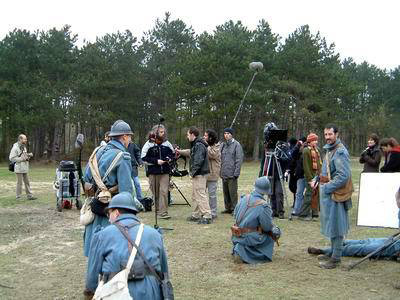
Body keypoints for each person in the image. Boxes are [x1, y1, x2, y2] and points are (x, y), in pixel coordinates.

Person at [83, 192, 170, 300]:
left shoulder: (102, 235)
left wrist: (90, 294)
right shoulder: (155, 235)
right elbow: (164, 273)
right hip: (151, 292)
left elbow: (92, 278)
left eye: (109, 214)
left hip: (115, 293)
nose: (109, 219)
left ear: (116, 213)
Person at [83, 120, 134, 257]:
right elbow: (126, 192)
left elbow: (86, 179)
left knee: (95, 253)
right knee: (111, 255)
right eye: (129, 136)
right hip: (112, 211)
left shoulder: (97, 151)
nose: (130, 140)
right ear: (124, 137)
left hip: (95, 207)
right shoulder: (123, 156)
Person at [317, 124, 352, 269]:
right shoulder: (330, 150)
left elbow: (343, 176)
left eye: (330, 134)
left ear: (336, 134)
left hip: (335, 194)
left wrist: (326, 188)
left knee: (337, 226)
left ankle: (336, 258)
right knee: (331, 224)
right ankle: (333, 252)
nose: (327, 137)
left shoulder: (340, 152)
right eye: (325, 134)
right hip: (329, 194)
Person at [231, 176, 281, 264]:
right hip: (250, 238)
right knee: (274, 233)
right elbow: (267, 227)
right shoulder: (264, 205)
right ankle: (242, 252)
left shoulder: (243, 198)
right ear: (266, 191)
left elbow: (235, 215)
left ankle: (239, 247)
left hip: (237, 235)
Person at [177, 126, 212, 224]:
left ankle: (207, 215)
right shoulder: (196, 144)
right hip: (198, 173)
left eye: (188, 135)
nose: (187, 137)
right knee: (196, 194)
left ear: (192, 134)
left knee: (200, 194)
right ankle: (196, 214)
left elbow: (198, 160)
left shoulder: (199, 145)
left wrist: (192, 172)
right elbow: (190, 153)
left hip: (199, 174)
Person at [141, 124, 174, 219]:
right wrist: (156, 161)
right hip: (153, 172)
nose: (163, 134)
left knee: (164, 191)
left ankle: (163, 213)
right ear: (155, 133)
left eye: (164, 132)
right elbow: (143, 158)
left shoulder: (167, 143)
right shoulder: (148, 144)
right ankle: (158, 210)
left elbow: (172, 154)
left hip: (165, 172)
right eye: (161, 132)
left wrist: (169, 159)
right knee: (155, 192)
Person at [298, 133, 322, 221]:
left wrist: (320, 174)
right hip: (311, 177)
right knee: (308, 195)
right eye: (315, 140)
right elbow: (306, 166)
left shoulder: (317, 150)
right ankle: (303, 214)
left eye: (316, 140)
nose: (316, 142)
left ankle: (315, 214)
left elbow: (319, 163)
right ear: (310, 141)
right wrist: (310, 179)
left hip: (317, 176)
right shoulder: (306, 151)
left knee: (316, 195)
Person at [220, 127, 244, 214]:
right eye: (225, 133)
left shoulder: (237, 145)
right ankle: (228, 208)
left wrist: (236, 173)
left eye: (228, 133)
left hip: (232, 174)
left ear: (232, 135)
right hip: (224, 173)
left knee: (232, 193)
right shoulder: (223, 145)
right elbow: (219, 158)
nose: (226, 135)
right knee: (225, 192)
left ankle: (235, 209)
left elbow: (239, 159)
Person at [9, 134, 36, 200]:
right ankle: (18, 197)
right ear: (20, 139)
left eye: (26, 139)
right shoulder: (15, 148)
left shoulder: (24, 147)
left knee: (27, 182)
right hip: (18, 168)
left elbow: (24, 156)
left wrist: (28, 156)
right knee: (20, 183)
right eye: (25, 139)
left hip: (24, 167)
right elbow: (11, 158)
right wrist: (22, 159)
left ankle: (29, 196)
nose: (26, 140)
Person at [204, 129, 221, 219]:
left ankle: (213, 212)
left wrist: (205, 145)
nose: (204, 137)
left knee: (212, 195)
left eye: (206, 136)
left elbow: (212, 155)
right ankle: (204, 211)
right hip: (204, 174)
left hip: (213, 175)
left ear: (210, 137)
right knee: (202, 194)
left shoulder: (217, 146)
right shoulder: (205, 145)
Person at [291, 137, 306, 216]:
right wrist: (297, 146)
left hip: (308, 175)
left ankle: (308, 211)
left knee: (309, 194)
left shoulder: (309, 149)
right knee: (299, 193)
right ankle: (296, 210)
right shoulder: (299, 150)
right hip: (300, 175)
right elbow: (292, 155)